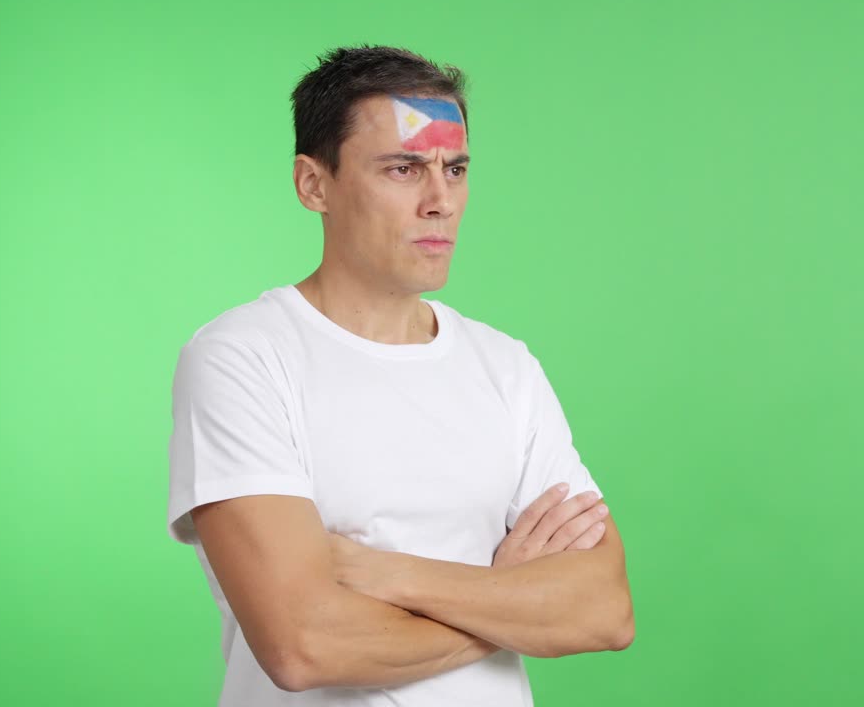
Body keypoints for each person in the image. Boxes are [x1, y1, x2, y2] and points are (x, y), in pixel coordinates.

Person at [166, 45, 634, 706]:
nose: (440, 200)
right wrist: (507, 602)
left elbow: (604, 609)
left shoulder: (506, 367)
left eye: (457, 168)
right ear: (313, 184)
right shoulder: (243, 357)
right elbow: (304, 647)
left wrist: (379, 572)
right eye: (404, 168)